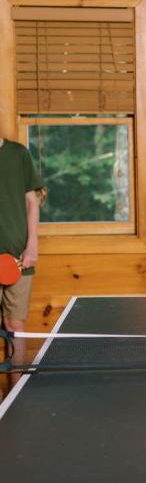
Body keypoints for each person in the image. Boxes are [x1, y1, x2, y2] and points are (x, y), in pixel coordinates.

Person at [0, 136, 42, 390]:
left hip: (19, 258)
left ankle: (17, 394)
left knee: (15, 324)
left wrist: (32, 246)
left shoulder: (19, 154)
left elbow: (32, 201)